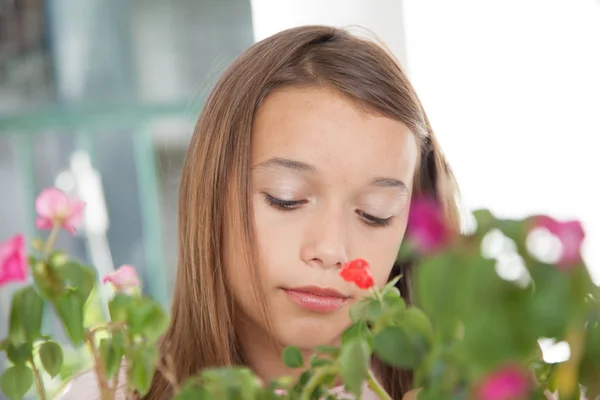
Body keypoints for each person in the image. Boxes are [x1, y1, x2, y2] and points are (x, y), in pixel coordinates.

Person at [65, 25, 461, 400]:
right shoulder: (107, 392)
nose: (330, 249)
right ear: (213, 194)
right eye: (285, 198)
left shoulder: (463, 384)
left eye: (375, 214)